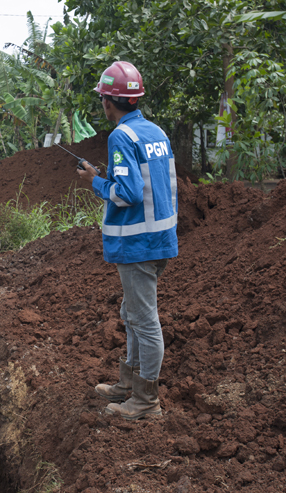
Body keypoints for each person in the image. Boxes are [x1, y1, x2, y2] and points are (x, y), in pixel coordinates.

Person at [76, 61, 179, 421]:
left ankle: (145, 400)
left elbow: (130, 193)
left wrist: (95, 182)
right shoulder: (155, 132)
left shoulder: (120, 136)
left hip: (138, 243)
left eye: (103, 99)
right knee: (131, 313)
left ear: (108, 101)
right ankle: (129, 384)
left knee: (143, 318)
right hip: (159, 238)